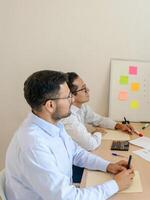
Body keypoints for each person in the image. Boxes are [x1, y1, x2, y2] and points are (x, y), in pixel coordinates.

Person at [5, 70, 134, 200]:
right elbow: (67, 197)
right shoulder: (33, 144)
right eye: (68, 97)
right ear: (50, 105)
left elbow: (76, 153)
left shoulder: (54, 124)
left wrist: (108, 166)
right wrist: (116, 185)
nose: (72, 100)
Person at [61, 72, 135, 183]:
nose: (88, 91)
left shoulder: (82, 108)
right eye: (84, 89)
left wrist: (119, 125)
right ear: (71, 95)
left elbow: (99, 119)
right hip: (72, 167)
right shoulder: (68, 118)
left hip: (81, 156)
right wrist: (97, 133)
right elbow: (91, 144)